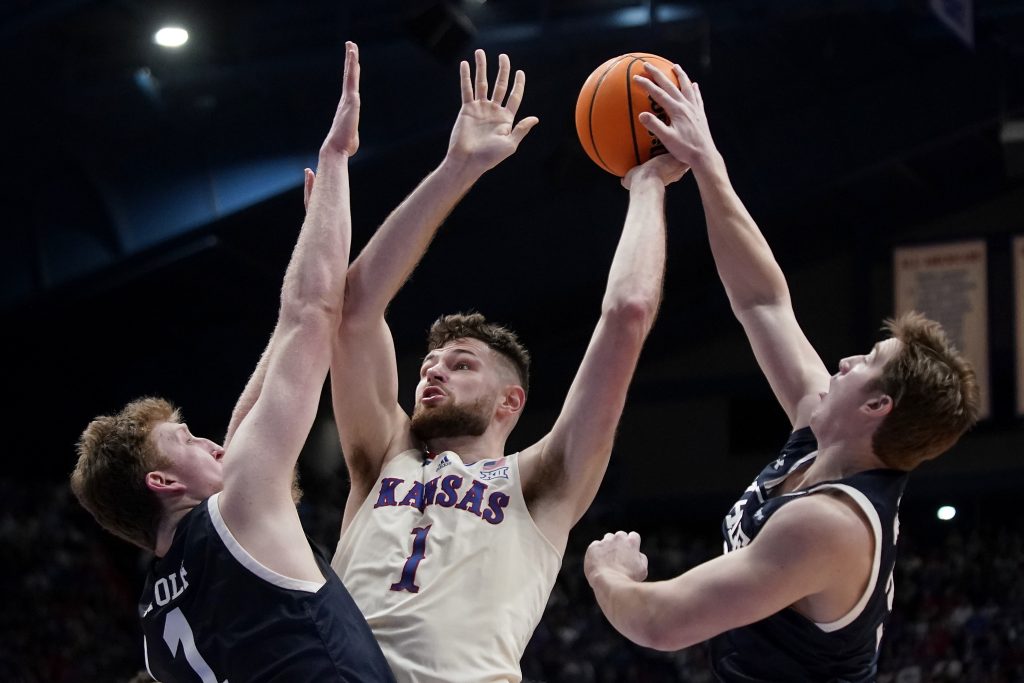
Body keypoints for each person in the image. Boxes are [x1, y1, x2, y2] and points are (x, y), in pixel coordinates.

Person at [582, 62, 981, 680]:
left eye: (868, 362)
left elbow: (658, 621)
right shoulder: (825, 430)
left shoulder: (828, 524)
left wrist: (609, 574)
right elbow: (762, 302)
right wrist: (708, 165)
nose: (845, 361)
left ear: (878, 407)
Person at [321, 49, 687, 683]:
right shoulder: (384, 456)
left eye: (460, 365)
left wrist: (647, 187)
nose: (432, 372)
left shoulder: (540, 481)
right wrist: (456, 170)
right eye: (429, 363)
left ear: (509, 402)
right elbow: (355, 311)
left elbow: (628, 312)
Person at [70, 43, 394, 683]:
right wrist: (336, 162)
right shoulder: (239, 507)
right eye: (186, 439)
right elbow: (309, 315)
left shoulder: (153, 635)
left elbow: (282, 340)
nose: (213, 440)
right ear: (163, 483)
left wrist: (315, 238)